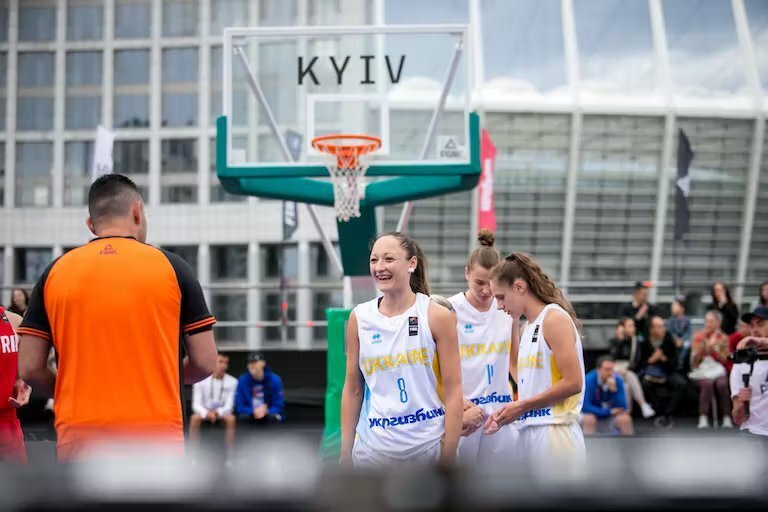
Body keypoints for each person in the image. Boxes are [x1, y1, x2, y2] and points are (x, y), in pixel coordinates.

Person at [17, 174, 218, 462]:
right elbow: (206, 362)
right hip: (157, 437)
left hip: (80, 437)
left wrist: (70, 388)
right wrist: (161, 377)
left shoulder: (55, 272)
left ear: (91, 224)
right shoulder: (173, 268)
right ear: (137, 211)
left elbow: (29, 367)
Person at [340, 232, 462, 466]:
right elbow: (353, 390)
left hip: (427, 449)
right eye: (374, 260)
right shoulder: (359, 317)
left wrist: (449, 456)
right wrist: (345, 454)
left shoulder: (437, 316)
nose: (379, 267)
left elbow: (454, 390)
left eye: (389, 259)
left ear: (412, 263)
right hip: (371, 452)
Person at [484, 252, 585, 464]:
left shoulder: (553, 318)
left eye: (501, 297)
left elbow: (574, 382)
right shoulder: (526, 327)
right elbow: (523, 376)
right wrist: (507, 413)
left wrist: (522, 406)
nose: (499, 306)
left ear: (519, 287)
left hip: (556, 430)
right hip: (529, 430)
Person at [448, 230, 519, 463]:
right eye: (479, 282)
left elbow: (515, 362)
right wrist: (456, 404)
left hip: (500, 413)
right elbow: (435, 368)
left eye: (490, 283)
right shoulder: (449, 310)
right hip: (465, 412)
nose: (486, 290)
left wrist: (530, 401)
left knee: (500, 482)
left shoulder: (508, 310)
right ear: (466, 273)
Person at [638, 316, 686, 428]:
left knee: (681, 384)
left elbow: (675, 362)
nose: (662, 329)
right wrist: (651, 360)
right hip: (651, 372)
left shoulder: (669, 339)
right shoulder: (645, 341)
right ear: (652, 329)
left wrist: (663, 359)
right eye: (659, 327)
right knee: (645, 384)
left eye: (663, 326)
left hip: (667, 370)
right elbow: (640, 363)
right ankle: (659, 412)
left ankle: (668, 413)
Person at [689, 311, 732, 429]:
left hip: (718, 369)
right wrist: (706, 346)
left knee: (722, 384)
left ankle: (726, 417)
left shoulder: (723, 338)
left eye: (711, 321)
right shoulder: (698, 336)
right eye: (707, 321)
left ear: (718, 323)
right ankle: (703, 417)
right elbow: (695, 361)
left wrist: (713, 349)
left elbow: (724, 360)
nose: (708, 324)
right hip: (701, 370)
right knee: (707, 384)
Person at [0, 307, 32, 463]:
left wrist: (24, 384)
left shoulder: (14, 321)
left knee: (16, 478)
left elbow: (24, 372)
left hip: (8, 426)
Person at [190, 354, 238, 456]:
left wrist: (217, 413)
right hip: (205, 411)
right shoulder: (200, 380)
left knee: (231, 419)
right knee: (194, 418)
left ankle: (230, 454)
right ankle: (193, 454)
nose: (223, 365)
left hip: (221, 412)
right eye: (220, 362)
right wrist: (206, 413)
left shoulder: (233, 382)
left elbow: (229, 405)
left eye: (226, 363)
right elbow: (196, 404)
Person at [731, 307, 768, 436]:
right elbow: (738, 419)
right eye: (751, 326)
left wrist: (762, 341)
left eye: (761, 324)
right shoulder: (741, 364)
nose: (755, 330)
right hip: (755, 432)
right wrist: (742, 404)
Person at [608, 318, 655, 418]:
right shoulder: (614, 341)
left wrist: (628, 369)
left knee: (627, 386)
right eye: (629, 326)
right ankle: (643, 404)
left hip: (629, 371)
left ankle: (626, 414)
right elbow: (612, 358)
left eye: (633, 326)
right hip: (614, 371)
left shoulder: (635, 342)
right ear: (622, 328)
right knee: (628, 377)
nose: (633, 328)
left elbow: (636, 361)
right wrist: (620, 340)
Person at [582, 356, 633, 436]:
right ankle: (588, 443)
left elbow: (622, 407)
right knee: (589, 419)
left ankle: (627, 443)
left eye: (612, 369)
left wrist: (613, 391)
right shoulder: (589, 380)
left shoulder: (617, 380)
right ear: (598, 370)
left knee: (625, 419)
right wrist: (608, 412)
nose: (610, 373)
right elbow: (585, 407)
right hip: (593, 413)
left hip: (610, 414)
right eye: (606, 369)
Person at [234, 352, 285, 425]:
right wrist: (253, 411)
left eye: (255, 362)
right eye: (250, 363)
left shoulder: (274, 380)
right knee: (241, 417)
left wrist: (266, 411)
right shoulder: (243, 380)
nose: (252, 365)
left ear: (263, 363)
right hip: (249, 414)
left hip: (269, 414)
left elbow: (279, 405)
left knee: (276, 417)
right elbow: (239, 406)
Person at [667, 296, 693, 373]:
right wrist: (675, 339)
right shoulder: (672, 320)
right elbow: (670, 332)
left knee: (687, 345)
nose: (672, 308)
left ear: (682, 308)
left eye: (675, 306)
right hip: (674, 340)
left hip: (683, 340)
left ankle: (680, 362)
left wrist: (682, 340)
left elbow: (688, 332)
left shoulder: (687, 320)